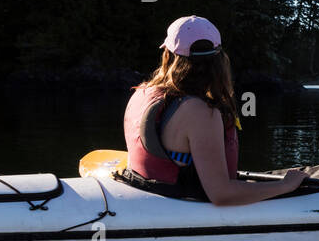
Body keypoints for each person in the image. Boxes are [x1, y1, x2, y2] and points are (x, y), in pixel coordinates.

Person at [121, 16, 305, 205]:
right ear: (219, 61)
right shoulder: (201, 112)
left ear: (167, 55)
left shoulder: (141, 93)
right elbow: (221, 194)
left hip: (149, 191)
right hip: (182, 204)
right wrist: (286, 185)